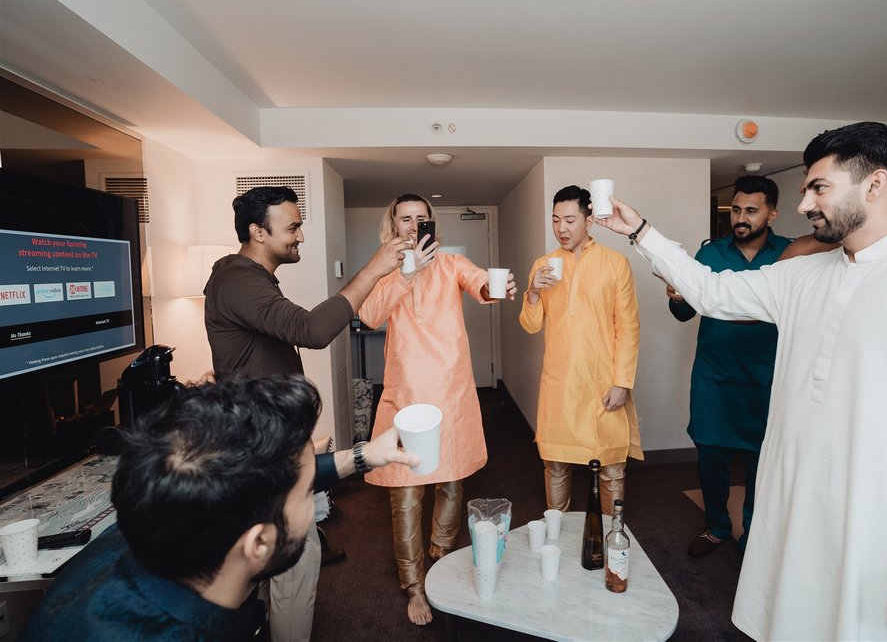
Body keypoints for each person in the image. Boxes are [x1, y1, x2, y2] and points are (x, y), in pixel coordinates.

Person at [598, 122, 887, 641]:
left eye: (819, 187)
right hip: (793, 522)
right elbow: (713, 293)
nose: (806, 203)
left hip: (884, 537)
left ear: (874, 185)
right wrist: (641, 232)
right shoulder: (804, 274)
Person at [20, 375, 418, 642]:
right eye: (305, 495)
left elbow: (272, 481)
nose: (311, 499)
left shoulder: (159, 518)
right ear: (259, 543)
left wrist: (366, 455)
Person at [203, 185, 409, 642]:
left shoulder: (248, 279)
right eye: (292, 227)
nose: (300, 237)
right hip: (260, 447)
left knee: (270, 565)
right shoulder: (238, 278)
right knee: (296, 558)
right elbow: (311, 330)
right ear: (258, 231)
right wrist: (375, 268)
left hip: (271, 442)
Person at [359, 193, 516, 626]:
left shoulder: (449, 265)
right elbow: (370, 315)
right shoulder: (385, 270)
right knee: (406, 491)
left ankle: (440, 561)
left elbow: (480, 281)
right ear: (392, 226)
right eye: (404, 220)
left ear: (432, 226)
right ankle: (413, 584)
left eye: (420, 219)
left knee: (449, 482)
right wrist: (405, 273)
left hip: (449, 391)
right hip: (406, 394)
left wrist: (495, 286)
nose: (413, 227)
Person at [666, 175, 792, 557]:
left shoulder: (791, 255)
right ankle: (717, 526)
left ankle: (754, 536)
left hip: (768, 379)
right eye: (736, 209)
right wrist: (675, 296)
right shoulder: (709, 255)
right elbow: (684, 313)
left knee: (762, 463)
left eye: (751, 211)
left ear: (772, 214)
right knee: (711, 458)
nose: (741, 218)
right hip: (714, 378)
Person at [519, 185, 642, 515]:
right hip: (559, 382)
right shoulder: (543, 265)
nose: (561, 228)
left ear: (589, 219)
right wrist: (532, 293)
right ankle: (557, 538)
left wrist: (622, 383)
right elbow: (531, 325)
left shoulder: (615, 264)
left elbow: (628, 328)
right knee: (555, 466)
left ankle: (611, 537)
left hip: (603, 382)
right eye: (556, 220)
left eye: (570, 220)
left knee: (611, 468)